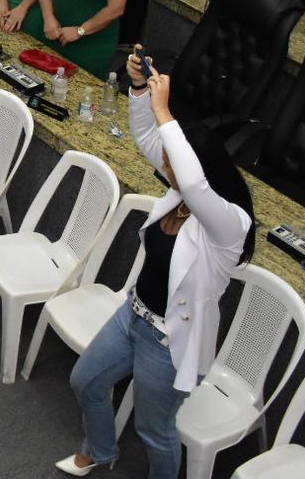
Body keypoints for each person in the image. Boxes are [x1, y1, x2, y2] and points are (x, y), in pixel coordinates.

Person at [58, 53, 255, 478]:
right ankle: (101, 450)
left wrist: (165, 111)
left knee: (155, 432)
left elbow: (194, 181)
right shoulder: (181, 191)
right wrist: (141, 92)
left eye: (171, 162)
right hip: (134, 314)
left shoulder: (229, 223)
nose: (162, 167)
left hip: (169, 343)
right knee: (86, 382)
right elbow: (149, 138)